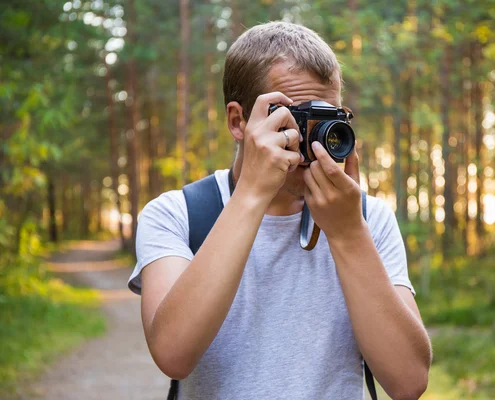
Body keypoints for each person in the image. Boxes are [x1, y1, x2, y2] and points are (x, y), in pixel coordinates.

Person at [128, 21, 432, 400]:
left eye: (327, 119)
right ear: (239, 121)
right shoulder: (177, 214)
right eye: (296, 118)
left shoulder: (367, 219)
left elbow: (409, 382)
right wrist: (253, 193)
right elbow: (173, 353)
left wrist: (348, 234)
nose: (314, 139)